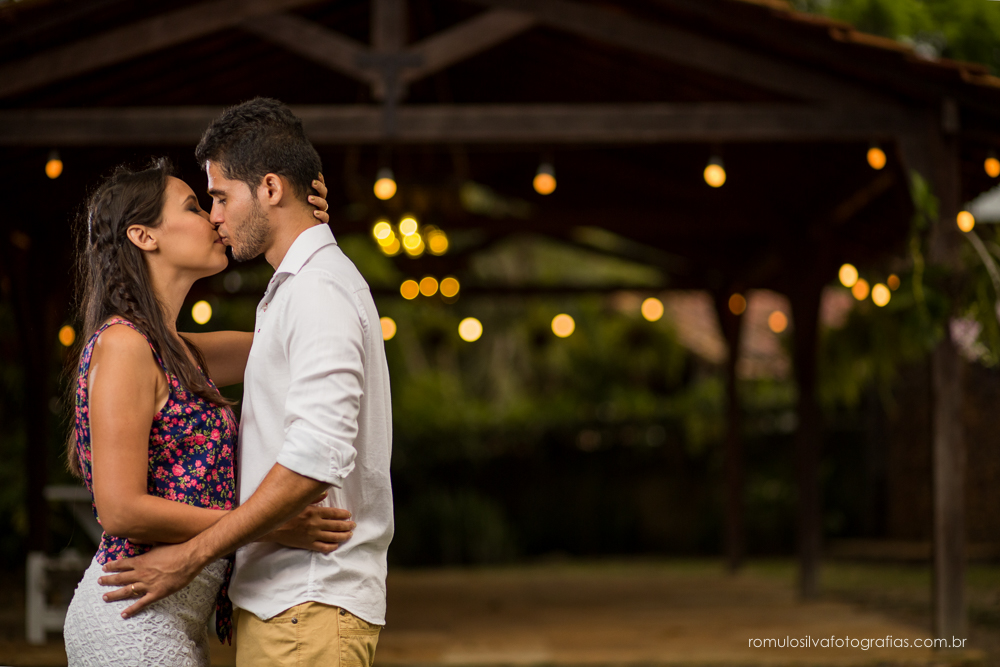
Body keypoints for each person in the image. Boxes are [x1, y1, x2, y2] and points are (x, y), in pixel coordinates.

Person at [99, 98, 394, 667]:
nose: (214, 216)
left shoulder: (316, 291)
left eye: (219, 196)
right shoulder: (293, 293)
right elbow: (163, 356)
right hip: (286, 606)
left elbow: (316, 458)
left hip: (306, 603)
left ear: (270, 189)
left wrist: (193, 554)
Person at [62, 158, 350, 666]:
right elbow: (119, 508)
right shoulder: (126, 345)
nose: (215, 219)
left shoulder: (181, 351)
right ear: (144, 236)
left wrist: (302, 234)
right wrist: (266, 523)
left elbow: (307, 335)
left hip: (172, 619)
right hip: (132, 618)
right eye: (194, 206)